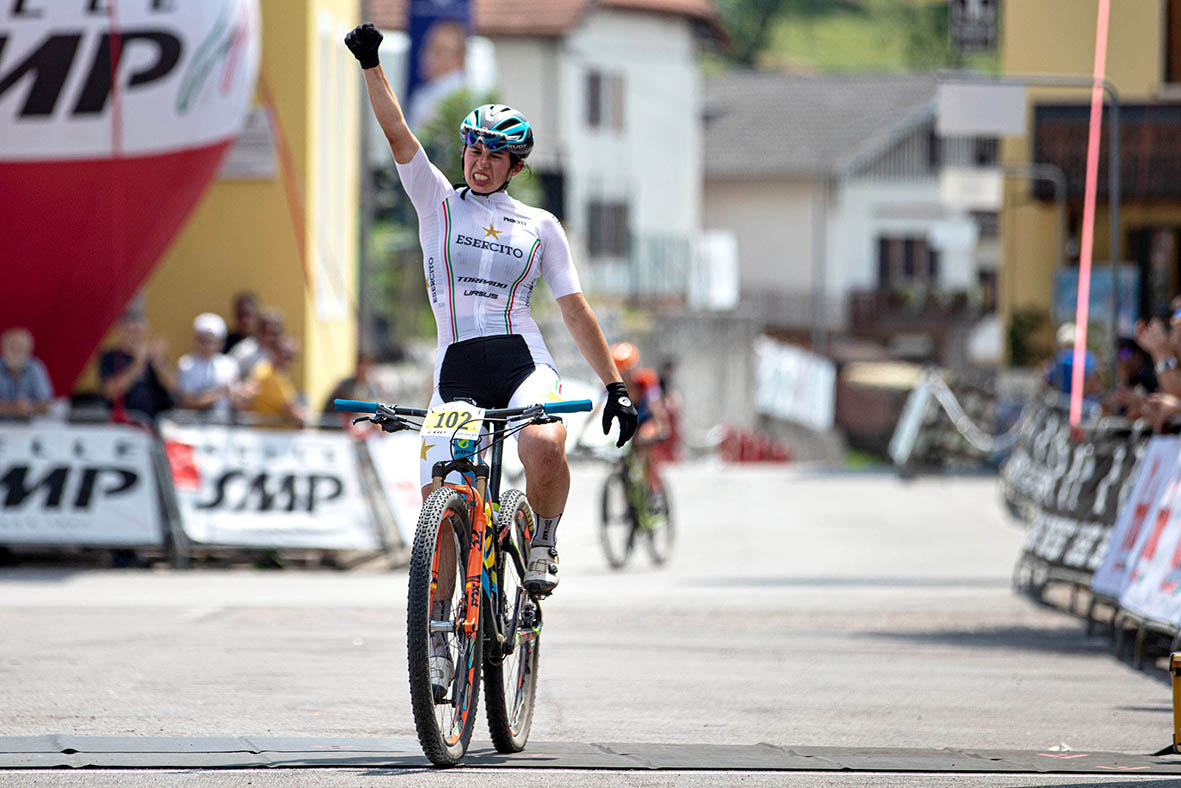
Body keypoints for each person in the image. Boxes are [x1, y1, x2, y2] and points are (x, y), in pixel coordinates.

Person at [345, 22, 637, 628]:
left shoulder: (540, 226)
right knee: (438, 499)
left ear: (515, 165)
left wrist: (614, 386)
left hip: (520, 362)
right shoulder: (436, 203)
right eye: (474, 150)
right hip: (456, 370)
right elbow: (398, 133)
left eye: (495, 154)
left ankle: (543, 539)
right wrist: (372, 64)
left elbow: (574, 310)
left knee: (543, 444)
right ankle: (437, 638)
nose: (481, 162)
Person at [99, 311, 176, 425]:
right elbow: (111, 392)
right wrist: (137, 364)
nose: (134, 337)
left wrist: (158, 363)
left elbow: (173, 387)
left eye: (138, 332)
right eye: (130, 332)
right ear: (120, 332)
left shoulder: (154, 357)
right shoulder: (110, 357)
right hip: (125, 424)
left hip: (156, 424)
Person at [177, 313, 251, 420]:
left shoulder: (229, 365)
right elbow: (187, 403)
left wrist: (241, 395)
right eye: (203, 341)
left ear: (220, 343)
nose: (207, 346)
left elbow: (237, 405)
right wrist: (219, 393)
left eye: (211, 341)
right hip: (193, 427)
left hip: (223, 427)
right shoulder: (186, 365)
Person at [249, 335, 306, 427]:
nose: (289, 362)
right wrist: (304, 416)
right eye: (286, 356)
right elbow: (292, 411)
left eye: (292, 357)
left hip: (274, 436)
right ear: (275, 352)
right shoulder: (268, 375)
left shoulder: (274, 373)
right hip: (270, 436)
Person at [0, 327, 53, 419]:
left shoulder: (35, 367)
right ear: (3, 348)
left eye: (21, 348)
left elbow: (46, 402)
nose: (16, 351)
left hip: (30, 424)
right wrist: (12, 408)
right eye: (12, 347)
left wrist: (30, 407)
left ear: (29, 350)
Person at [231, 306, 283, 381]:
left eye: (274, 333)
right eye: (266, 332)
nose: (270, 337)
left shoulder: (281, 353)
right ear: (258, 330)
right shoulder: (244, 350)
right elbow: (231, 378)